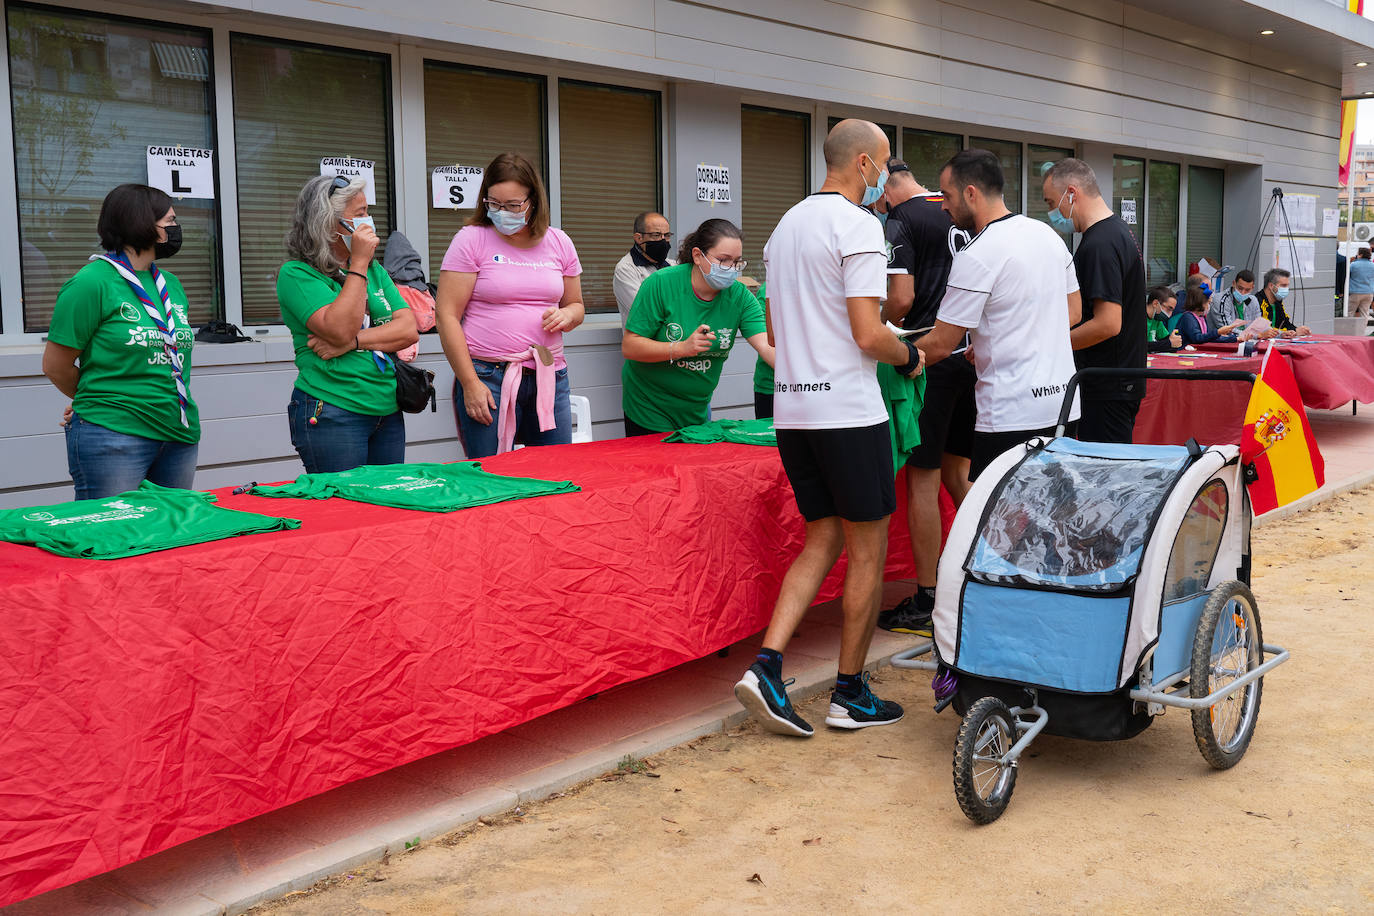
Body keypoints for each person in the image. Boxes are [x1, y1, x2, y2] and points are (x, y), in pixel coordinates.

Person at [734, 119, 925, 737]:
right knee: (866, 549)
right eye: (886, 165)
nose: (886, 178)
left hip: (794, 411)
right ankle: (850, 692)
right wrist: (912, 354)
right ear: (866, 163)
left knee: (821, 538)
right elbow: (870, 334)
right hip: (849, 410)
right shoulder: (859, 226)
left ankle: (766, 665)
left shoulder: (785, 225)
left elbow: (780, 325)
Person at [913, 148, 1082, 482]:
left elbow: (942, 344)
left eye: (946, 195)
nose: (943, 205)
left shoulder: (977, 253)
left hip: (1011, 411)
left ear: (971, 193)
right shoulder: (1046, 235)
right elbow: (1072, 313)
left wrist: (887, 359)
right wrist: (999, 341)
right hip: (1063, 402)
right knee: (1052, 512)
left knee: (1001, 519)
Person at [42, 183, 200, 500]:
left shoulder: (170, 284)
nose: (176, 229)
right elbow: (55, 365)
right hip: (113, 436)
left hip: (177, 434)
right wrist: (98, 399)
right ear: (141, 223)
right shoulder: (91, 283)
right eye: (169, 221)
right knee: (112, 538)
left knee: (171, 541)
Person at [876, 156, 974, 637]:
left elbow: (901, 299)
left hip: (928, 357)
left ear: (885, 189)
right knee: (959, 477)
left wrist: (870, 322)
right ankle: (982, 574)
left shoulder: (901, 218)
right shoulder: (959, 209)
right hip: (972, 355)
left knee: (923, 481)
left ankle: (929, 595)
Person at [436, 152, 584, 457]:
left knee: (555, 471)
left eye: (513, 205)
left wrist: (567, 314)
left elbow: (577, 305)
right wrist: (470, 382)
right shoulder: (471, 239)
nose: (503, 212)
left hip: (548, 373)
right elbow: (447, 315)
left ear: (534, 201)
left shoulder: (559, 242)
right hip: (487, 376)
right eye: (494, 204)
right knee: (491, 475)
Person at [277, 175, 418, 473]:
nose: (368, 221)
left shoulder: (374, 268)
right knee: (342, 508)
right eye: (359, 214)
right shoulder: (297, 274)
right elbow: (340, 327)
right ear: (327, 222)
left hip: (387, 408)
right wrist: (358, 264)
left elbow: (407, 329)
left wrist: (353, 343)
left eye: (368, 211)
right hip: (333, 409)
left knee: (389, 508)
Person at [620, 219, 774, 434]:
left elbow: (767, 346)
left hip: (696, 409)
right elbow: (630, 347)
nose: (731, 269)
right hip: (650, 407)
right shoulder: (661, 284)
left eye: (737, 262)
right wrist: (682, 348)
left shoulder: (740, 297)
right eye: (723, 260)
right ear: (697, 256)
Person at [1043, 158, 1146, 444]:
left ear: (1072, 193)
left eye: (1052, 202)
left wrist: (1051, 346)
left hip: (1107, 384)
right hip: (1120, 379)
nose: (1052, 212)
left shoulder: (1100, 243)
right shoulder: (1120, 232)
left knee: (1103, 476)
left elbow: (1108, 323)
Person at [613, 211, 675, 328]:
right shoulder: (626, 269)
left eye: (666, 236)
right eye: (656, 235)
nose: (663, 240)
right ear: (639, 238)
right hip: (645, 342)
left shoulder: (674, 265)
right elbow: (646, 312)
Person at [1254, 268, 1311, 337]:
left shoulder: (1277, 302)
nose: (1286, 289)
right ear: (1271, 286)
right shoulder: (1256, 302)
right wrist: (1294, 331)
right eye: (1283, 286)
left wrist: (1297, 330)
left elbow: (1285, 323)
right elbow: (1265, 329)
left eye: (1287, 285)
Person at [1177, 287, 1242, 345]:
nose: (1209, 306)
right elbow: (1197, 338)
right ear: (1200, 303)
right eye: (1208, 302)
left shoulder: (1201, 318)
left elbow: (1210, 338)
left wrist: (1235, 338)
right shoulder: (1188, 317)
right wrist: (1218, 332)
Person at [1207, 269, 1256, 334]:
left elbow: (1257, 324)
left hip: (1242, 340)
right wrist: (1252, 335)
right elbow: (1227, 330)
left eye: (1247, 290)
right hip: (1220, 342)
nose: (1242, 293)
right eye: (1240, 288)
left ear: (1252, 288)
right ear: (1233, 283)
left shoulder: (1252, 300)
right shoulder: (1221, 300)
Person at [1146, 286, 1182, 353]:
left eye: (1172, 311)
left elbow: (1167, 341)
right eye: (1169, 308)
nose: (1170, 314)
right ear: (1155, 303)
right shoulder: (1137, 318)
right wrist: (1169, 343)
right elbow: (1139, 345)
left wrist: (1174, 341)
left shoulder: (1157, 320)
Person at [1347, 247, 1374, 317]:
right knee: (1365, 313)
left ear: (1360, 255)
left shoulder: (1353, 265)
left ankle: (1349, 327)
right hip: (1369, 292)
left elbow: (1347, 276)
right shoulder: (1373, 265)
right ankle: (1362, 328)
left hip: (1355, 292)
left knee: (1350, 312)